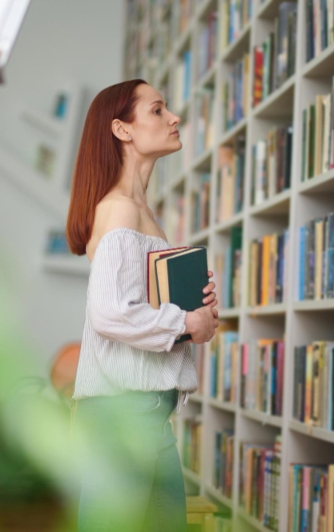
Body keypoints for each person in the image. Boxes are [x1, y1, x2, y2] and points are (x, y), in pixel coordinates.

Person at [65, 79, 219, 532]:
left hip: (149, 414)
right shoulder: (120, 210)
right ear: (122, 129)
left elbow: (143, 307)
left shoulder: (142, 212)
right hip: (123, 418)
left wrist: (199, 316)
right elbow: (110, 312)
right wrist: (184, 321)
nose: (174, 118)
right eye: (157, 110)